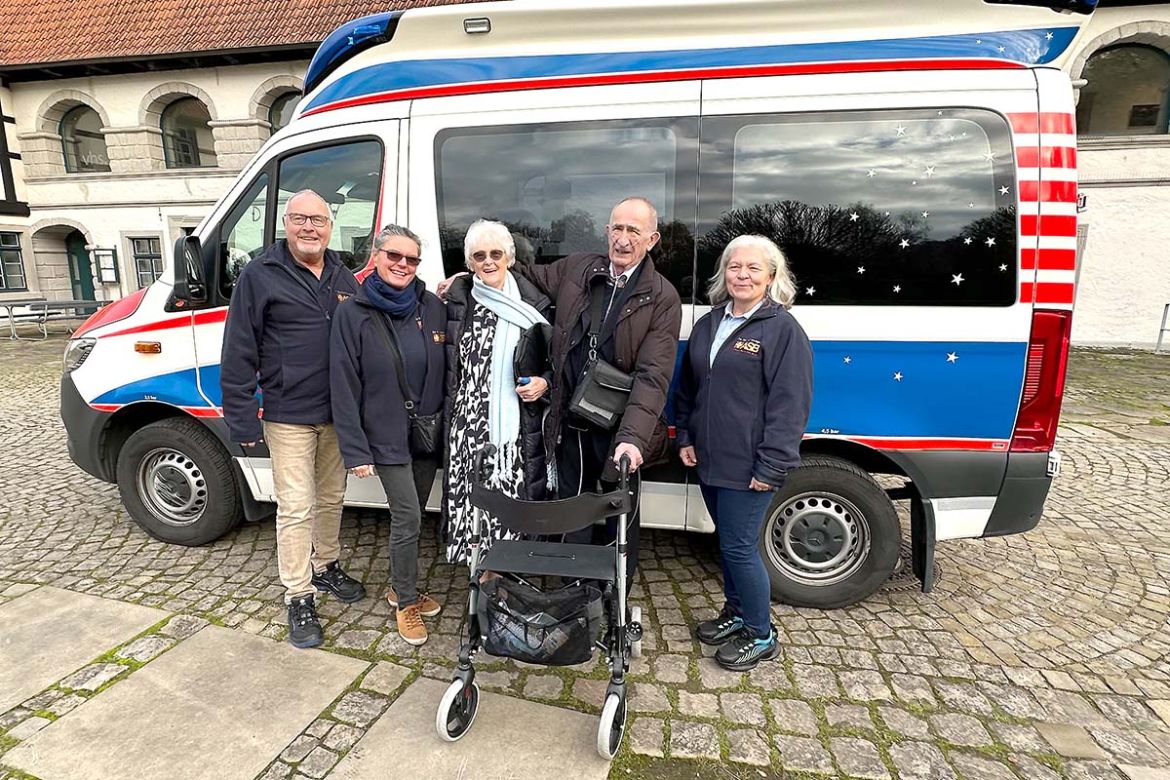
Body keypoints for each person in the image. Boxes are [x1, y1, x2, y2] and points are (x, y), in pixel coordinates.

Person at [220, 189, 366, 649]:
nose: (310, 228)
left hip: (337, 414)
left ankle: (326, 567)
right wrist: (242, 421)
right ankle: (298, 594)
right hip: (288, 415)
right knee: (296, 506)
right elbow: (238, 351)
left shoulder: (344, 276)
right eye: (301, 219)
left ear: (329, 225)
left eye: (318, 220)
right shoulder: (260, 275)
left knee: (332, 498)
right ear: (286, 223)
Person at [516, 197, 681, 586]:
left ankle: (610, 591)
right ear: (606, 232)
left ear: (652, 239)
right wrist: (469, 276)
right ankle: (571, 591)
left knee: (615, 513)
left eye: (633, 232)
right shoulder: (578, 268)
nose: (622, 239)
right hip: (572, 418)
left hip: (620, 427)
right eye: (617, 228)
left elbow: (653, 376)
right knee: (572, 508)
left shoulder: (662, 296)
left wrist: (632, 440)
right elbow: (524, 273)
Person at [675, 234, 813, 672]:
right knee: (727, 542)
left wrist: (772, 464)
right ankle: (736, 614)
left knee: (738, 547)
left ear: (772, 277)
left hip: (751, 464)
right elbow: (688, 389)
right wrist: (685, 438)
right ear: (724, 274)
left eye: (754, 268)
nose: (743, 275)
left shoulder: (782, 330)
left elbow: (790, 404)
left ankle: (761, 634)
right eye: (735, 267)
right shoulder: (710, 324)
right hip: (710, 458)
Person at [330, 224, 447, 646]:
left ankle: (400, 586)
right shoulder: (353, 312)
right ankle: (406, 601)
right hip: (384, 435)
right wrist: (354, 448)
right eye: (394, 256)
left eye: (411, 259)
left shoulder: (433, 305)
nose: (402, 265)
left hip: (427, 431)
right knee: (409, 516)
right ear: (376, 257)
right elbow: (343, 384)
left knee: (414, 512)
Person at [443, 220, 553, 564]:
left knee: (509, 503)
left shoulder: (535, 305)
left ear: (509, 257)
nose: (488, 262)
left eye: (496, 254)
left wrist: (545, 383)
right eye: (479, 256)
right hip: (469, 426)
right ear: (469, 263)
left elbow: (560, 360)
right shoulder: (458, 301)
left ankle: (503, 577)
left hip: (514, 430)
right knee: (475, 502)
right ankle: (478, 575)